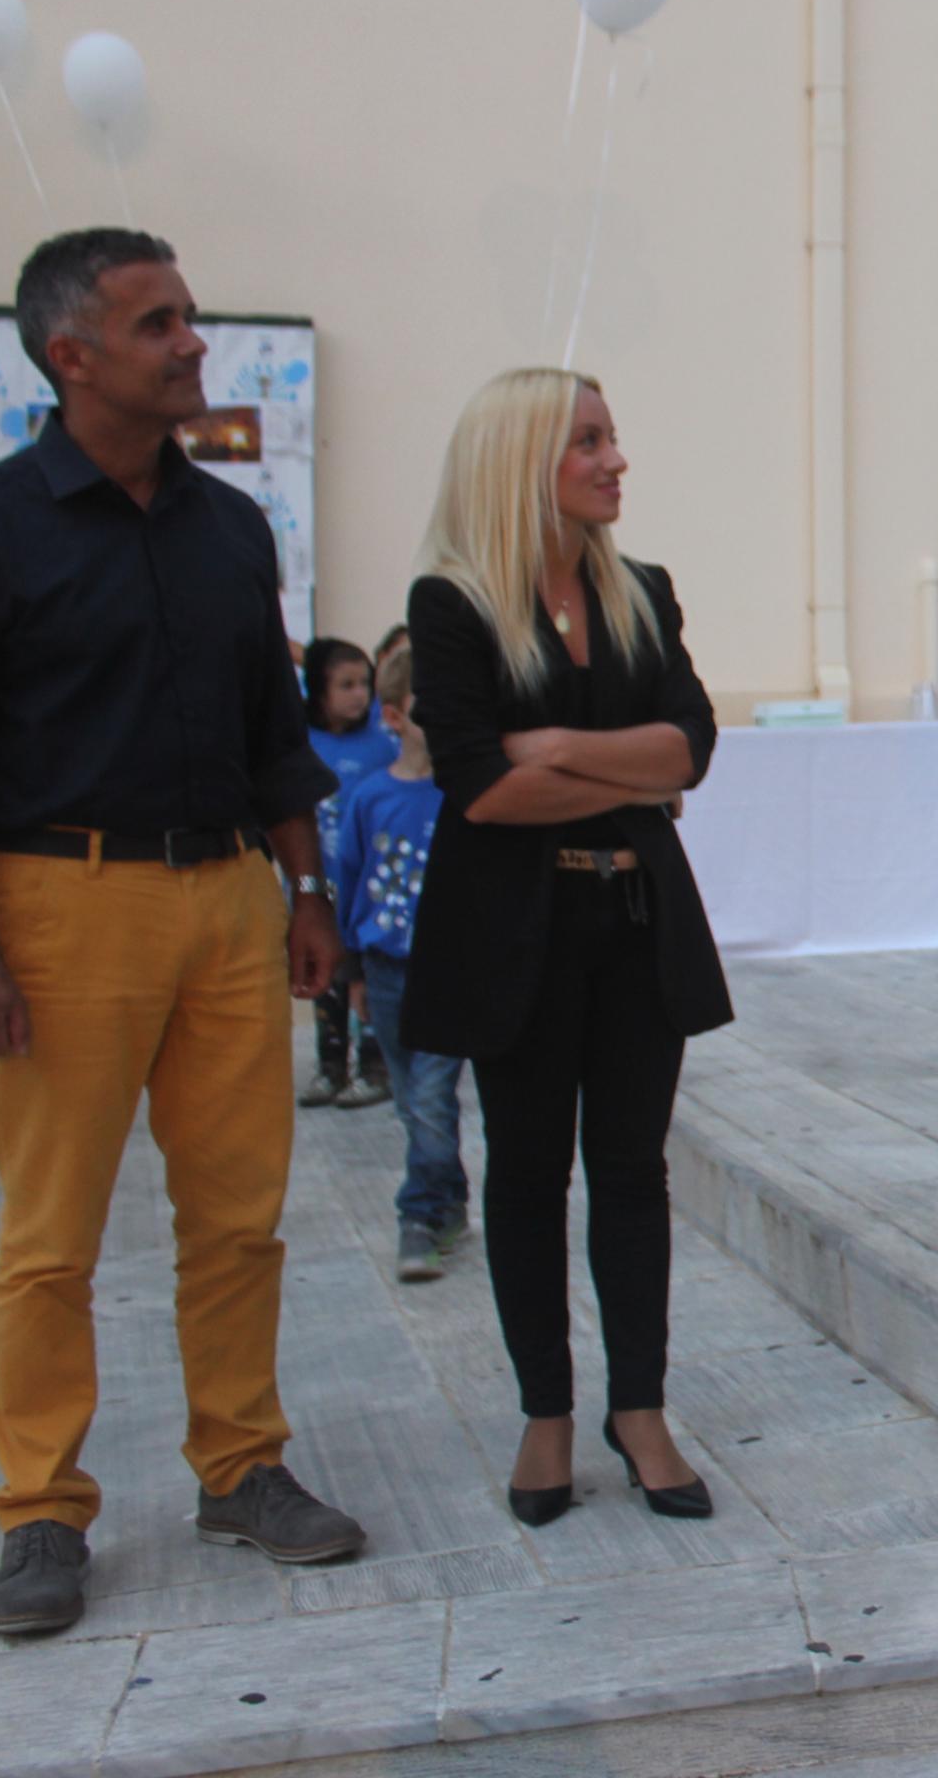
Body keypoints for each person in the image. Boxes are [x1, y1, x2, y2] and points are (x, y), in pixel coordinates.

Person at [0, 228, 366, 1637]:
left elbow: (275, 738)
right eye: (159, 324)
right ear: (72, 355)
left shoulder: (229, 529)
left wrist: (306, 892)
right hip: (61, 904)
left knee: (239, 1215)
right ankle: (41, 1507)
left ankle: (242, 1465)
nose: (192, 343)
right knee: (52, 1235)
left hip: (228, 900)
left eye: (190, 317)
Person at [401, 366, 731, 1523]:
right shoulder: (452, 604)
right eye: (588, 440)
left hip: (638, 923)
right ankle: (546, 1411)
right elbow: (482, 789)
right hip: (518, 935)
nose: (615, 458)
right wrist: (625, 774)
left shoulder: (642, 590)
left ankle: (639, 1408)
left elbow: (692, 747)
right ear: (521, 460)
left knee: (632, 1171)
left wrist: (554, 748)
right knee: (529, 1173)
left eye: (611, 436)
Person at [334, 644, 469, 1284]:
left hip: (449, 968)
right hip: (387, 971)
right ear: (394, 717)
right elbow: (347, 877)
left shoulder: (464, 794)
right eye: (429, 707)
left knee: (431, 1096)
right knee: (413, 1100)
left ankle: (418, 1215)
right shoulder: (370, 798)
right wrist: (353, 972)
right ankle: (449, 1197)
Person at [303, 635, 397, 1108]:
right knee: (328, 975)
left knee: (368, 978)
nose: (360, 694)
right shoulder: (304, 743)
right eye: (346, 685)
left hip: (371, 888)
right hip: (323, 887)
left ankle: (375, 1068)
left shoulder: (383, 742)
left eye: (365, 683)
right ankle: (331, 1066)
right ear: (319, 692)